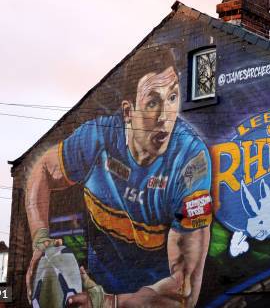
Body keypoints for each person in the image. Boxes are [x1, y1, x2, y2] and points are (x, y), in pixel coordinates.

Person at [25, 47, 212, 308]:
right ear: (128, 111)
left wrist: (108, 303)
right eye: (152, 102)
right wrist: (41, 239)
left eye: (172, 97)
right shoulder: (96, 139)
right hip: (91, 290)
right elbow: (43, 171)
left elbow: (184, 289)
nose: (164, 117)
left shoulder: (191, 162)